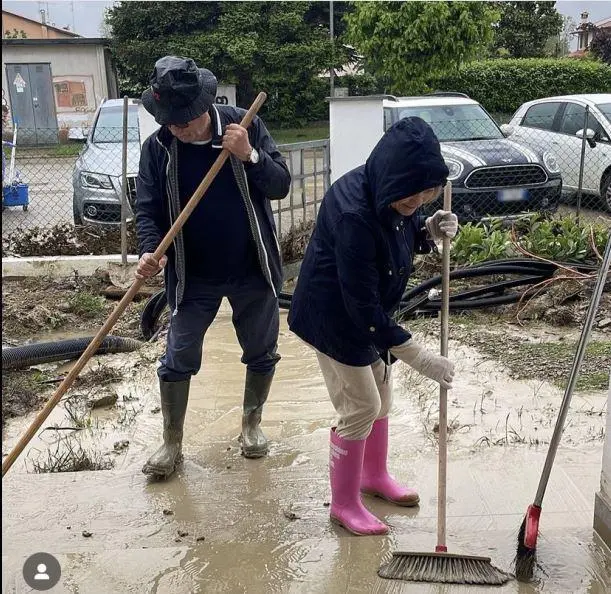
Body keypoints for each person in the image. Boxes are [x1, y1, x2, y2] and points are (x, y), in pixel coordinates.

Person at [288, 117, 458, 535]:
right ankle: (344, 504)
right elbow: (361, 307)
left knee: (381, 392)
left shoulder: (391, 193)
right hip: (334, 317)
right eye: (410, 198)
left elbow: (398, 233)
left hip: (366, 314)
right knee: (360, 405)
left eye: (428, 194)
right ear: (390, 179)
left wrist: (428, 231)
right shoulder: (354, 214)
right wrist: (419, 357)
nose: (417, 202)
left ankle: (373, 476)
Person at [136, 56, 291, 478]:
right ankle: (172, 442)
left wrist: (249, 155)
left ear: (205, 105)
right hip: (192, 274)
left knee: (261, 350)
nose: (178, 129)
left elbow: (280, 184)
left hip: (251, 266)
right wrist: (151, 250)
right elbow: (147, 210)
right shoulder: (158, 149)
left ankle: (251, 426)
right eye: (170, 121)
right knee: (178, 355)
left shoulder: (244, 125)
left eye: (184, 121)